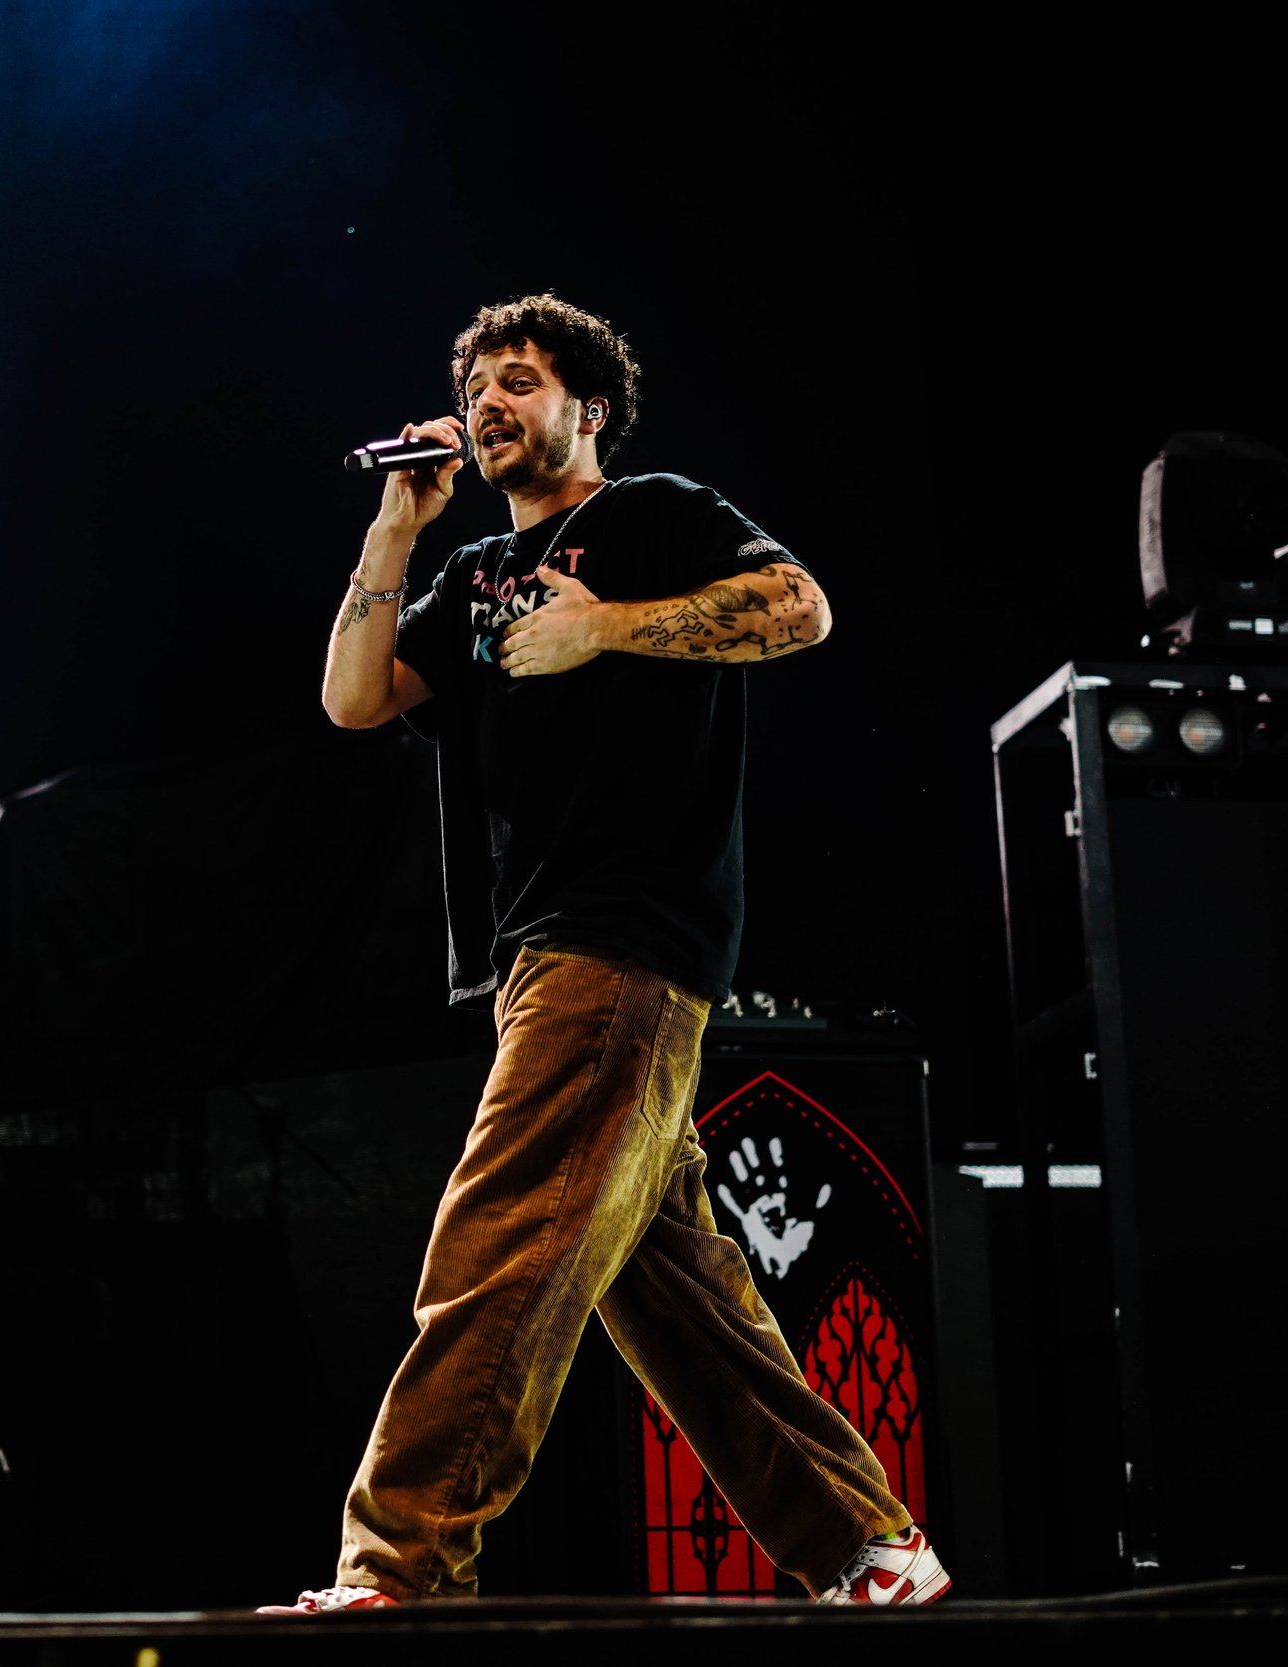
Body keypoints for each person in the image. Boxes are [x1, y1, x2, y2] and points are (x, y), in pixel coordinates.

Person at [268, 295, 947, 1613]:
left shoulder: (651, 516)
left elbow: (797, 608)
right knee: (680, 1299)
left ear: (587, 408)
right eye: (479, 388)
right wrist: (397, 526)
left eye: (520, 382)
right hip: (542, 957)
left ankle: (401, 1573)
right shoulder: (467, 580)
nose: (490, 406)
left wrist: (606, 629)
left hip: (623, 939)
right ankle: (871, 1546)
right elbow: (352, 700)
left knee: (493, 1250)